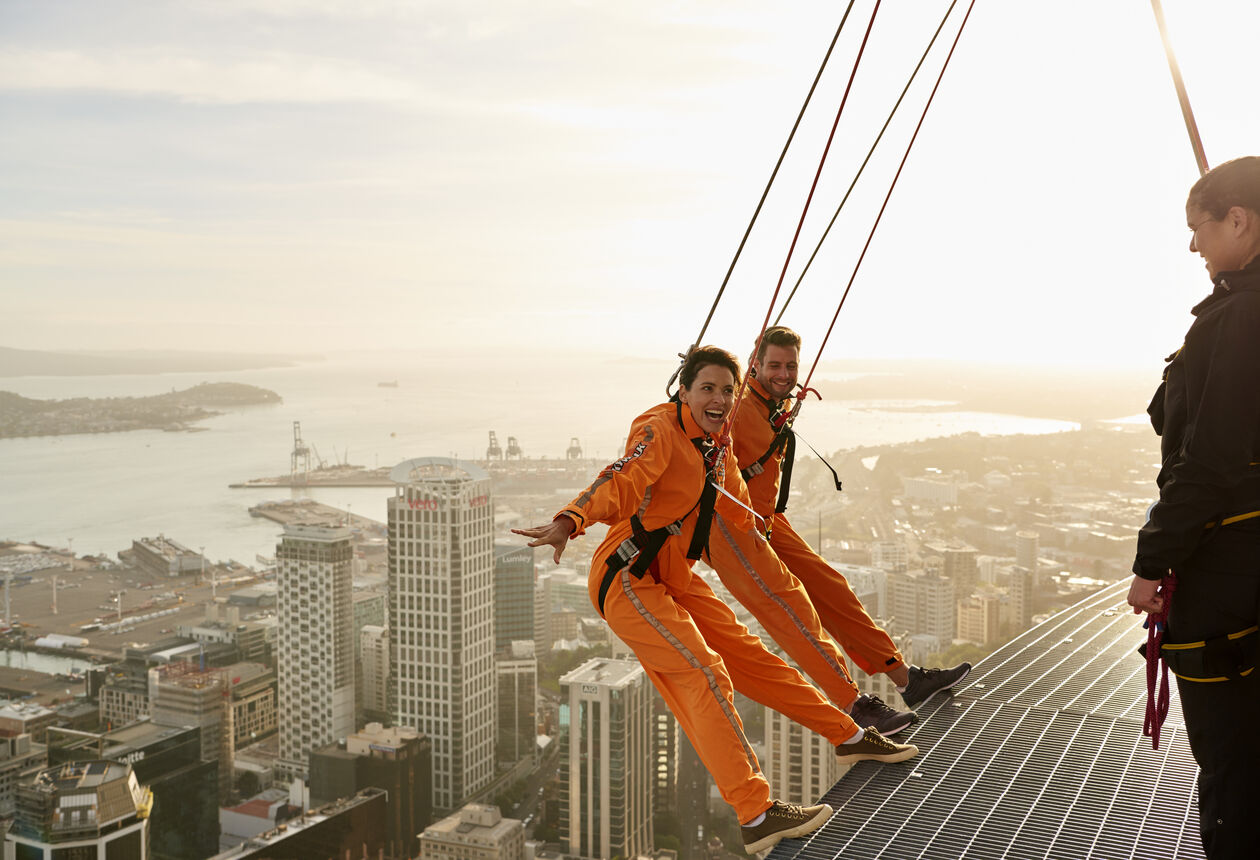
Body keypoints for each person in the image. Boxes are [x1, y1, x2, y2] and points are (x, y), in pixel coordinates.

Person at [514, 346, 918, 855]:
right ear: (682, 390)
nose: (720, 399)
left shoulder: (717, 448)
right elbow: (623, 475)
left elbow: (740, 520)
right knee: (705, 672)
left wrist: (770, 543)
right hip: (628, 576)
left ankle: (847, 735)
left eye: (728, 391)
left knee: (751, 656)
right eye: (707, 388)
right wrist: (570, 520)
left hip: (673, 575)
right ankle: (756, 813)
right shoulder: (659, 430)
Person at [717, 325, 971, 711]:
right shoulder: (736, 407)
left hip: (766, 521)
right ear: (755, 364)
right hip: (737, 527)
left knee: (834, 589)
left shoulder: (772, 405)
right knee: (795, 608)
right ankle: (852, 704)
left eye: (790, 366)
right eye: (774, 365)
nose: (784, 374)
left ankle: (907, 681)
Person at [1127, 156, 1260, 860]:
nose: (1192, 246)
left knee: (1233, 759)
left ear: (1239, 220)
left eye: (1199, 227)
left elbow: (1205, 462)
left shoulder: (1239, 319)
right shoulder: (1235, 311)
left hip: (1228, 577)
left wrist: (1153, 562)